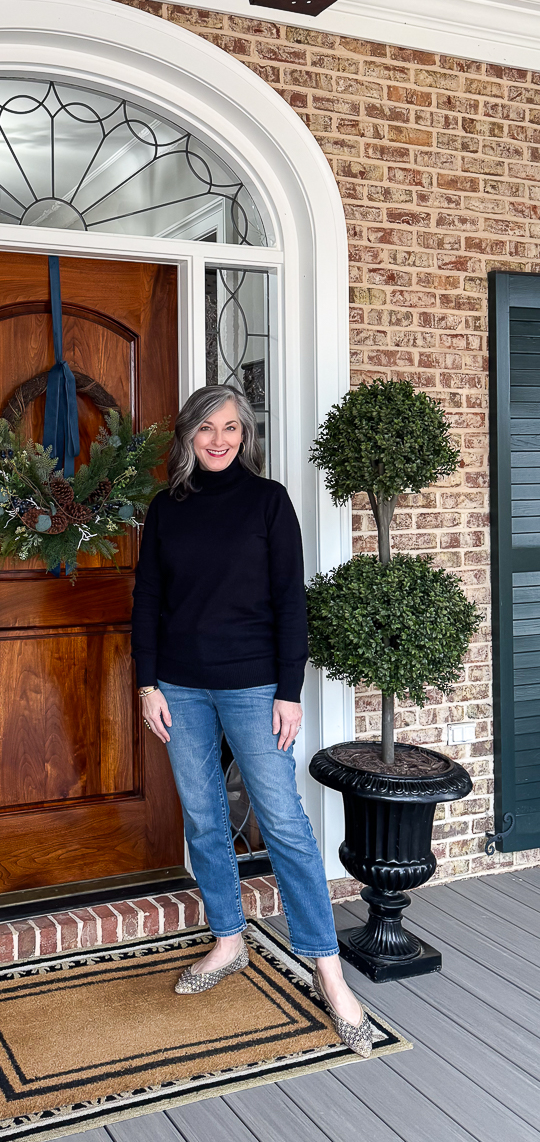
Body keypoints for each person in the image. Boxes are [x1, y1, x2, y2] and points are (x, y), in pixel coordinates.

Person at [131, 383, 372, 1058]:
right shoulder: (166, 509)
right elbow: (147, 600)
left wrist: (289, 690)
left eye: (231, 428)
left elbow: (289, 601)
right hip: (180, 687)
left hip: (253, 685)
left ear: (246, 436)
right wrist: (147, 684)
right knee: (205, 817)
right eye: (207, 428)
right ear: (187, 435)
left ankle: (328, 971)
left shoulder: (267, 502)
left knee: (285, 824)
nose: (219, 439)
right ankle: (229, 940)